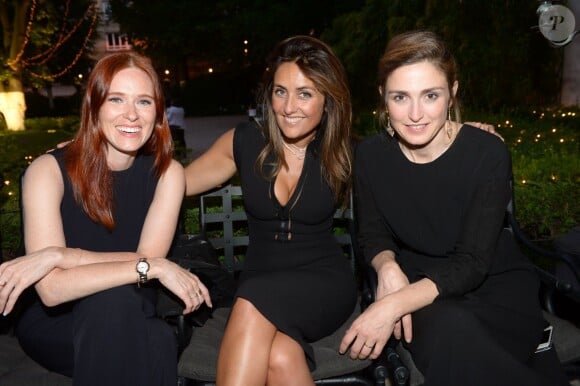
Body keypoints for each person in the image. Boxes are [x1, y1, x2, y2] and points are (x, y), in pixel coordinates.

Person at [339, 30, 567, 386]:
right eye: (401, 97)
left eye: (430, 95)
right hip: (423, 289)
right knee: (451, 328)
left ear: (452, 94)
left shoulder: (486, 153)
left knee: (457, 336)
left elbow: (473, 263)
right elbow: (372, 232)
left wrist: (391, 305)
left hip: (496, 288)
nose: (415, 114)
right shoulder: (369, 155)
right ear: (383, 97)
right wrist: (386, 267)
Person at [0, 52, 211, 386]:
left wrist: (63, 256)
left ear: (157, 111)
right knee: (138, 328)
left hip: (133, 308)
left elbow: (148, 262)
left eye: (143, 101)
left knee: (142, 327)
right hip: (58, 322)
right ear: (94, 107)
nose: (131, 114)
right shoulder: (48, 171)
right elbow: (53, 290)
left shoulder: (168, 173)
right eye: (116, 99)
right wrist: (152, 267)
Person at [183, 35, 359, 385]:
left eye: (305, 93)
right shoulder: (246, 141)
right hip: (260, 280)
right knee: (279, 356)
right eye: (280, 91)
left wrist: (461, 134)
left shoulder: (347, 152)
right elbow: (176, 185)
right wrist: (104, 157)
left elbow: (415, 164)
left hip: (323, 286)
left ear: (328, 99)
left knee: (250, 299)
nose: (289, 106)